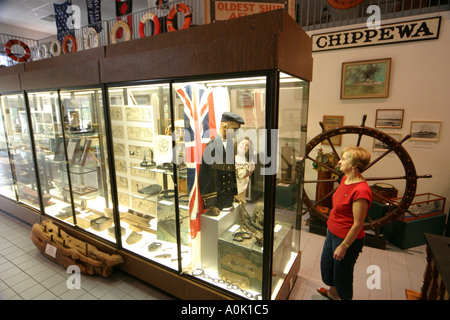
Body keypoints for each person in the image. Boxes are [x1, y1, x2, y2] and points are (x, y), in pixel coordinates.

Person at [317, 146, 372, 300]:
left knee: (343, 276)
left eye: (344, 159)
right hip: (333, 232)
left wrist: (344, 246)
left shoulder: (361, 191)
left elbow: (358, 224)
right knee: (328, 267)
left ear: (355, 165)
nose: (339, 162)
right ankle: (332, 294)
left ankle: (344, 297)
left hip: (347, 239)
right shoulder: (345, 179)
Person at [199, 112, 245, 216]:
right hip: (218, 203)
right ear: (225, 127)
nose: (236, 133)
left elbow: (231, 172)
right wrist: (211, 205)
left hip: (228, 200)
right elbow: (206, 178)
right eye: (234, 129)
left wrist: (234, 194)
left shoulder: (229, 144)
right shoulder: (212, 146)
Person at [234, 136, 255, 202]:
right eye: (242, 144)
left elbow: (250, 172)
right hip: (231, 192)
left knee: (240, 210)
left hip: (242, 192)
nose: (244, 146)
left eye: (247, 145)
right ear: (237, 144)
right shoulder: (230, 159)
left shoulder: (250, 162)